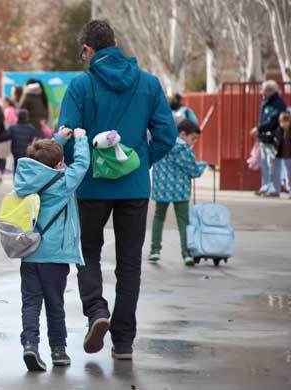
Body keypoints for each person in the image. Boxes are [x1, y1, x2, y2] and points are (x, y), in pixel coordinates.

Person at [57, 20, 176, 360]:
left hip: (92, 187)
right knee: (129, 263)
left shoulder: (81, 85)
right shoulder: (149, 84)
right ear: (116, 43)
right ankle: (123, 343)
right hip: (135, 188)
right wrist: (137, 162)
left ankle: (97, 312)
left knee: (87, 252)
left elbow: (66, 136)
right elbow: (166, 136)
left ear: (88, 50)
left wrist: (82, 165)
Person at [14, 126, 89, 371]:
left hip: (29, 254)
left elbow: (42, 159)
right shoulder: (63, 182)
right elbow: (81, 165)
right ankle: (58, 350)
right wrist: (80, 139)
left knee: (31, 304)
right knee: (55, 304)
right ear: (59, 165)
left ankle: (30, 345)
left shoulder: (27, 179)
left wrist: (57, 140)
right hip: (55, 258)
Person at [149, 119, 207, 266]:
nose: (193, 142)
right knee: (183, 221)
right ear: (182, 134)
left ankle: (154, 250)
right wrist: (203, 165)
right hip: (180, 191)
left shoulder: (163, 145)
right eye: (193, 138)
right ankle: (186, 253)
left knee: (158, 217)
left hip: (162, 189)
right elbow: (193, 171)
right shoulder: (185, 152)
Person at [250, 80, 287, 197]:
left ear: (271, 90)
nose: (262, 92)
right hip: (264, 138)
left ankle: (274, 189)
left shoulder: (278, 104)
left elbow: (273, 120)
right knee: (265, 164)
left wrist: (259, 128)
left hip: (273, 139)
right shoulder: (266, 102)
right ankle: (265, 186)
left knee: (273, 165)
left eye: (264, 90)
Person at [0, 109, 39, 174]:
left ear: (17, 117)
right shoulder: (31, 128)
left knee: (16, 165)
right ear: (27, 117)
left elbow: (4, 137)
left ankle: (17, 181)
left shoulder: (13, 128)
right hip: (27, 151)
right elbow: (36, 139)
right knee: (26, 167)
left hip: (16, 152)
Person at [276, 112, 291, 200]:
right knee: (288, 174)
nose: (284, 124)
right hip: (285, 156)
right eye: (282, 122)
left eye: (287, 121)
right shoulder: (279, 131)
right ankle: (290, 190)